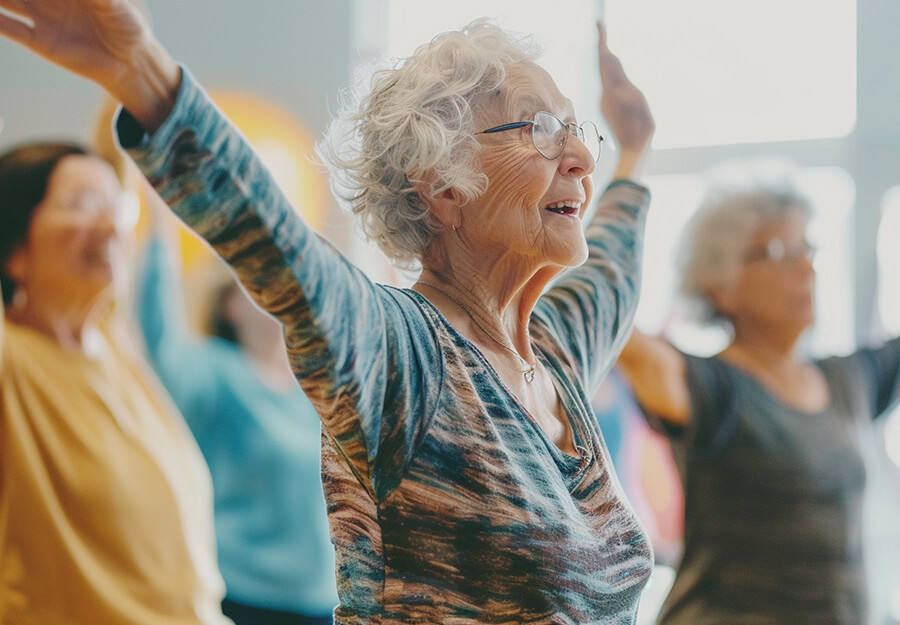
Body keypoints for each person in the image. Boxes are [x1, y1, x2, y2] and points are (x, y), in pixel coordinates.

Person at [0, 4, 656, 622]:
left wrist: (633, 149)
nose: (580, 156)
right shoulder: (405, 356)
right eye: (539, 128)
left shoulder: (555, 351)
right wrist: (140, 71)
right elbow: (277, 243)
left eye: (577, 130)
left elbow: (616, 270)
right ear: (444, 182)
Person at [616, 176, 900, 625]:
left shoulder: (849, 380)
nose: (805, 268)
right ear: (719, 286)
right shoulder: (712, 386)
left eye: (807, 250)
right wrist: (626, 166)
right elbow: (611, 325)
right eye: (777, 254)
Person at [0, 141, 231, 624]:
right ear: (14, 249)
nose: (111, 225)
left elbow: (120, 143)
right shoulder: (12, 360)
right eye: (81, 205)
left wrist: (134, 84)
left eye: (115, 207)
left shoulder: (112, 342)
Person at [137, 203, 339, 624]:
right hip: (244, 598)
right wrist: (159, 225)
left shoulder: (316, 386)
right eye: (258, 283)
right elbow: (161, 338)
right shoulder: (216, 373)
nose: (277, 292)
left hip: (325, 602)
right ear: (230, 306)